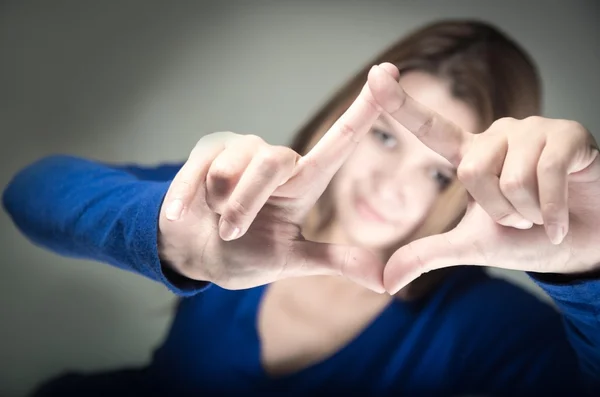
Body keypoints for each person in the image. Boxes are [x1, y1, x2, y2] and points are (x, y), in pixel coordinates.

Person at [3, 19, 600, 396]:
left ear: (475, 187)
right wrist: (175, 240)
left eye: (438, 171)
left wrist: (591, 275)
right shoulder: (239, 212)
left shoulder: (490, 330)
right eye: (387, 137)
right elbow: (30, 190)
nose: (390, 184)